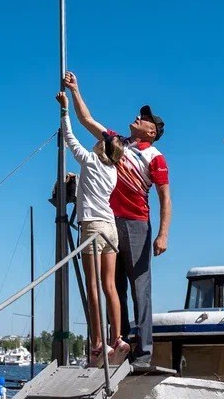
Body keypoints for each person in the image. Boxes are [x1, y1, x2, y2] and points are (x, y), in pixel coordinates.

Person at [63, 71, 170, 368]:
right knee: (116, 287)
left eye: (145, 118)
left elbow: (165, 196)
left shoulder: (156, 157)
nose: (138, 117)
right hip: (109, 219)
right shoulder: (116, 145)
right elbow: (87, 121)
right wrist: (75, 90)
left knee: (139, 287)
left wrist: (163, 233)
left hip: (136, 223)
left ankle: (144, 353)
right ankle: (117, 344)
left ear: (151, 132)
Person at [56, 89, 131, 366]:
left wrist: (64, 109)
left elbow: (69, 137)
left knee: (92, 285)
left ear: (101, 147)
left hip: (92, 227)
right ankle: (118, 337)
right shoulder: (113, 171)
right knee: (110, 285)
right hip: (110, 227)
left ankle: (98, 343)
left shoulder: (89, 161)